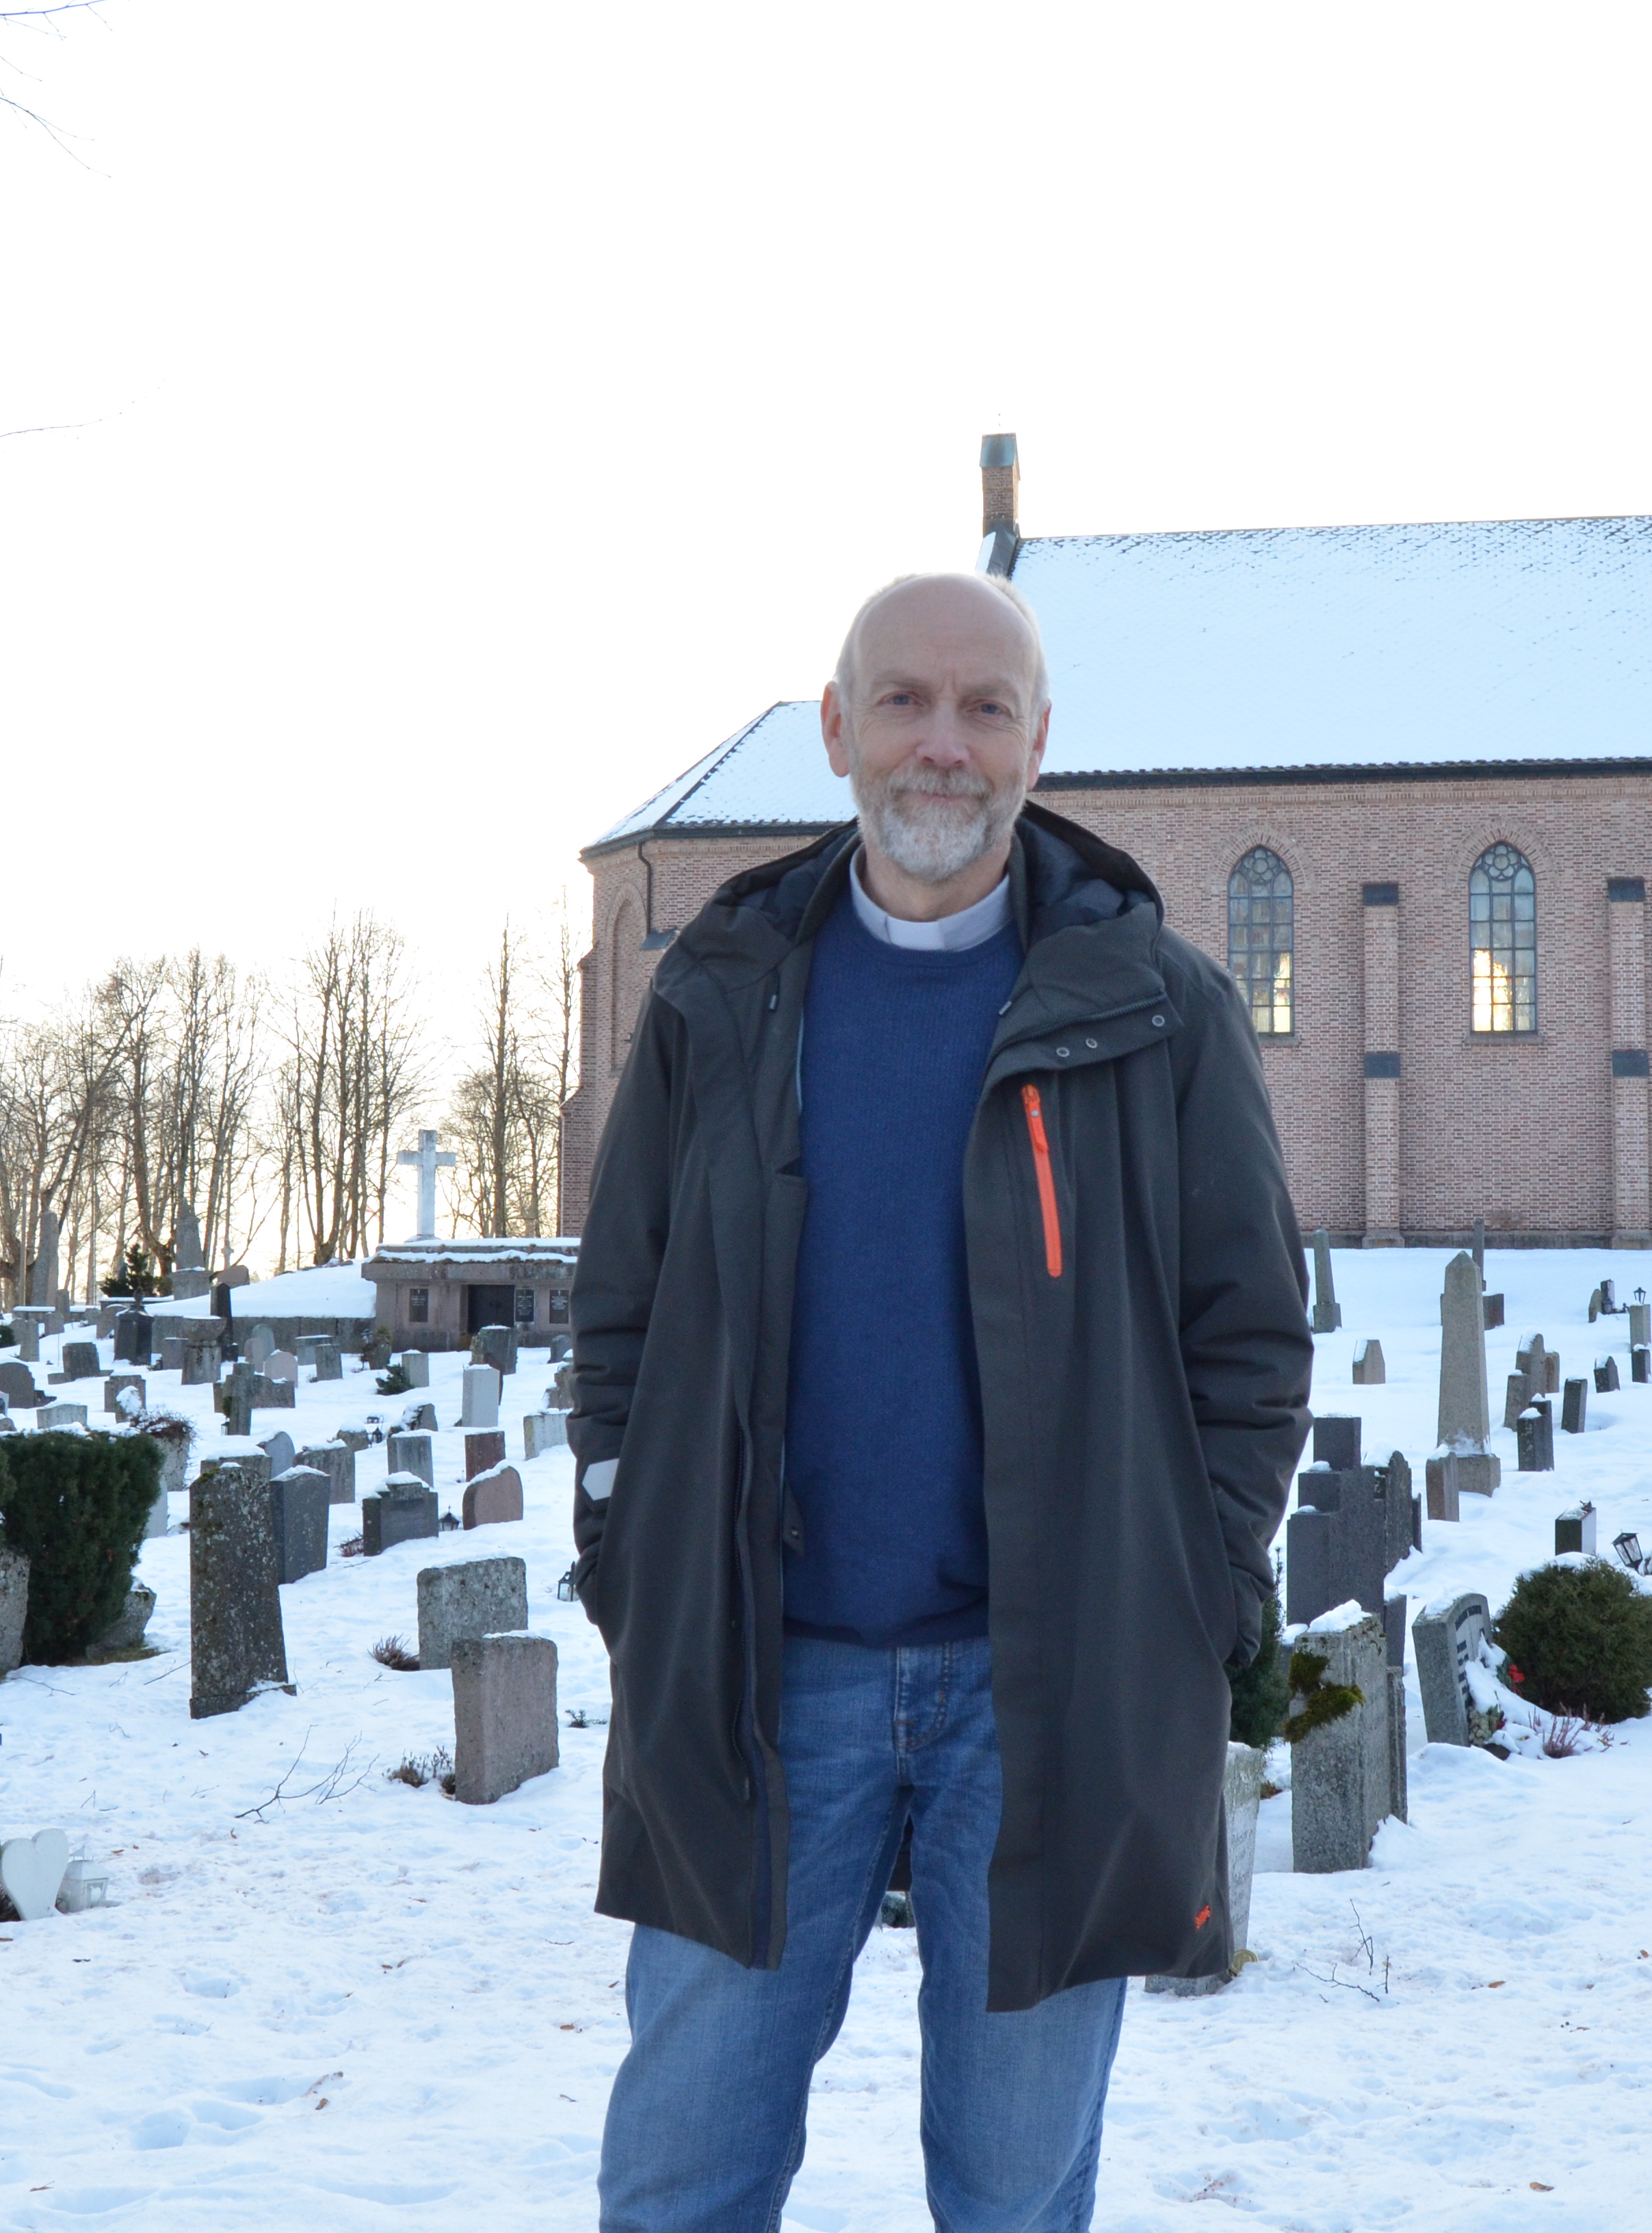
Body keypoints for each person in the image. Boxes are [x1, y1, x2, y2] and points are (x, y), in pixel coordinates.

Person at [571, 570, 1313, 2231]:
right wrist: (630, 1550)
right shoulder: (722, 992)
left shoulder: (1156, 1007)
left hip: (1042, 1696)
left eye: (985, 711)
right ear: (836, 730)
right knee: (682, 2171)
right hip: (760, 1681)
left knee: (1013, 2189)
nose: (941, 748)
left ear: (1039, 743)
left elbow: (1249, 1339)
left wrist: (1190, 1596)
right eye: (903, 702)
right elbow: (619, 1308)